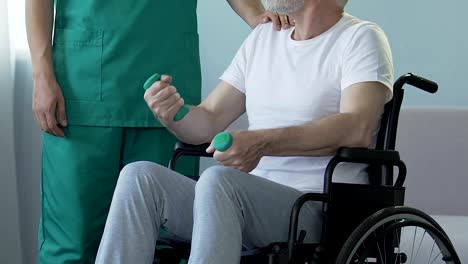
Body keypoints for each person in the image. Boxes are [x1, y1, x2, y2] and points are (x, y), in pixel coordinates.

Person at [95, 0, 394, 263]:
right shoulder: (264, 38)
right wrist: (173, 113)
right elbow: (207, 121)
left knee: (219, 180)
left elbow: (357, 126)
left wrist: (262, 143)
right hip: (237, 202)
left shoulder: (360, 37)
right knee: (139, 177)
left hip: (317, 208)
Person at [25, 0, 291, 263]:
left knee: (167, 243)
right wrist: (41, 75)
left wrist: (257, 16)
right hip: (82, 90)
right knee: (73, 241)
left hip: (168, 96)